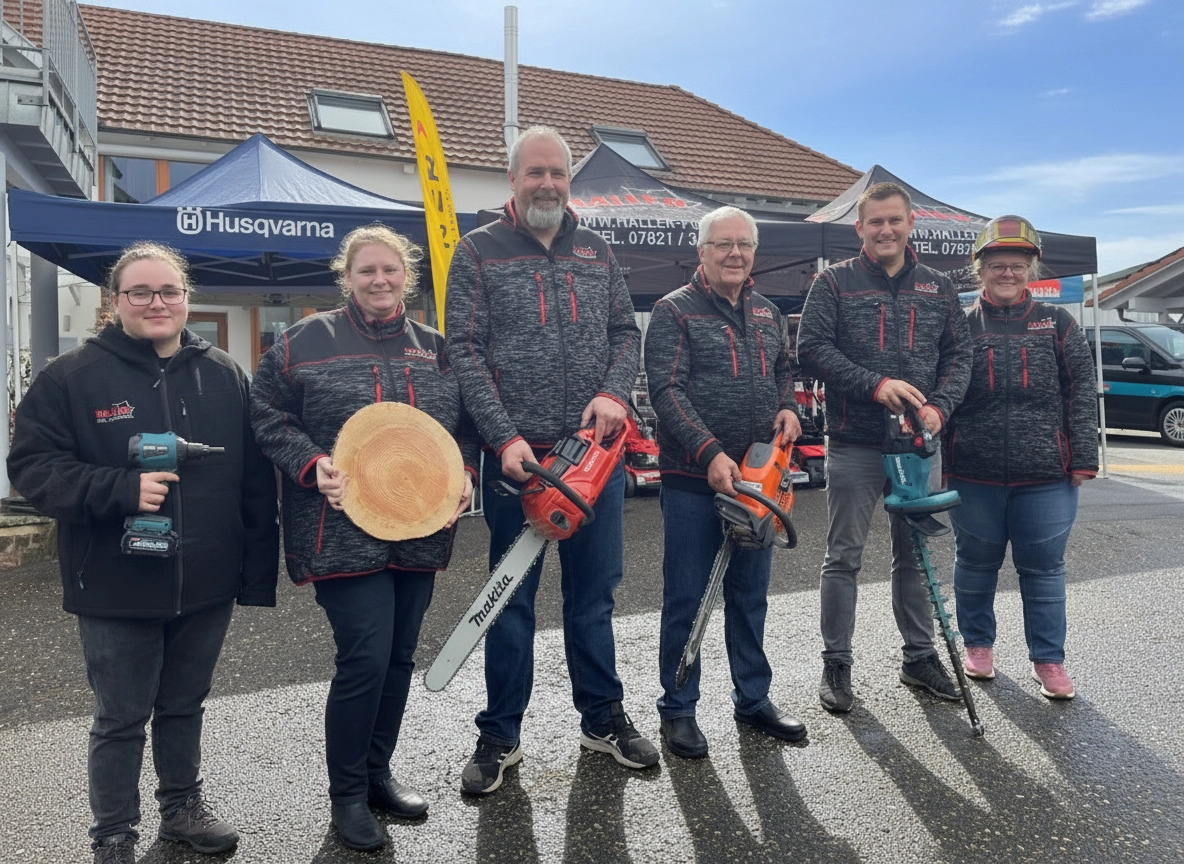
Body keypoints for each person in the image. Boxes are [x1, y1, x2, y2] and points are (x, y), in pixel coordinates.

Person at [7, 243, 279, 864]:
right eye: (140, 292)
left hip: (206, 581)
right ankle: (114, 835)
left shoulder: (225, 374)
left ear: (186, 298)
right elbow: (31, 468)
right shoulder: (71, 377)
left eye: (169, 291)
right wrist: (119, 489)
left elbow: (254, 482)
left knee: (183, 706)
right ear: (116, 301)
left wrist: (253, 575)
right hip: (114, 581)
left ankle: (180, 808)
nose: (157, 303)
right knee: (121, 718)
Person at [445, 124, 657, 794]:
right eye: (534, 173)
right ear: (512, 180)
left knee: (593, 598)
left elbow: (624, 333)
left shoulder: (597, 249)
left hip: (594, 459)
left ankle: (602, 718)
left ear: (570, 181)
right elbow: (463, 350)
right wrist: (501, 435)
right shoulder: (476, 251)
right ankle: (500, 733)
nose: (547, 184)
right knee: (511, 601)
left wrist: (613, 393)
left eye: (557, 173)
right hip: (521, 463)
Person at [250, 225, 476, 850]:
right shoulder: (301, 342)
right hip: (338, 529)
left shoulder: (438, 350)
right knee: (366, 657)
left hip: (419, 527)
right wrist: (310, 462)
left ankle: (378, 775)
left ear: (407, 276)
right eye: (366, 270)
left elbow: (463, 426)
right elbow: (266, 415)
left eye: (390, 270)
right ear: (346, 277)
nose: (379, 280)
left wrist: (464, 473)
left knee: (400, 657)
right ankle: (347, 795)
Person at [797, 182, 972, 714]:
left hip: (919, 444)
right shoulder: (832, 282)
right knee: (843, 557)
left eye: (895, 220)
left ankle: (919, 657)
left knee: (914, 556)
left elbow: (959, 356)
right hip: (855, 443)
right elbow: (811, 349)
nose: (886, 229)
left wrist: (939, 408)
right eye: (875, 221)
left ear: (911, 223)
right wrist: (874, 385)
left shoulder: (939, 287)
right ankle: (836, 663)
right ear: (860, 228)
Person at [644, 206, 807, 759]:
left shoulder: (766, 311)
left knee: (749, 596)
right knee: (686, 599)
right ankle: (678, 707)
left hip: (758, 480)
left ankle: (752, 698)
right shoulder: (674, 311)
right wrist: (708, 451)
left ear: (754, 252)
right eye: (723, 244)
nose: (735, 253)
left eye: (744, 244)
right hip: (694, 479)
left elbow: (783, 370)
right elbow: (666, 391)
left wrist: (788, 406)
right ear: (702, 252)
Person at [945, 216, 1097, 699]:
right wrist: (940, 461)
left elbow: (1081, 390)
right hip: (973, 473)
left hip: (1047, 476)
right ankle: (978, 646)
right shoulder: (961, 326)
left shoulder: (1058, 323)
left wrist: (1083, 456)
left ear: (1031, 269)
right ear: (980, 269)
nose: (1007, 273)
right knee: (974, 565)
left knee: (1045, 570)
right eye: (997, 265)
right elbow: (944, 394)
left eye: (1016, 264)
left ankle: (1049, 660)